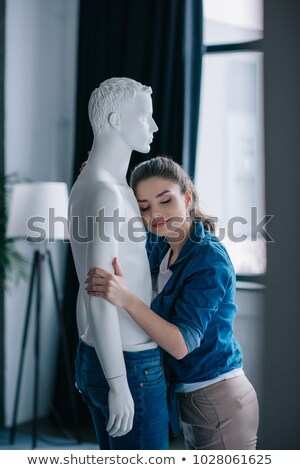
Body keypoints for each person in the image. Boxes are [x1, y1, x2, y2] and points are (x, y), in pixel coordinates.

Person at [85, 156, 260, 450]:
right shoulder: (162, 246)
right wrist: (98, 174)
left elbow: (180, 344)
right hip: (192, 400)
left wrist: (126, 299)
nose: (156, 213)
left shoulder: (208, 259)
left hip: (219, 398)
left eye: (165, 200)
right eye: (144, 207)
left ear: (187, 197)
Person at [68, 78, 169, 450]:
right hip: (129, 365)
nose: (154, 127)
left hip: (100, 352)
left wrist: (88, 348)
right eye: (145, 118)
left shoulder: (91, 185)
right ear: (114, 120)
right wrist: (117, 381)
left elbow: (86, 284)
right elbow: (96, 290)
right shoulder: (107, 192)